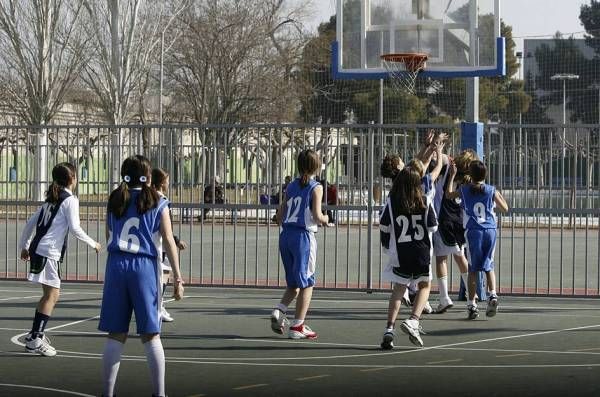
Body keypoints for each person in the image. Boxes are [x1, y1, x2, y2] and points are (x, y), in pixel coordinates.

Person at [99, 155, 184, 397]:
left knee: (116, 334)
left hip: (116, 265)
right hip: (144, 267)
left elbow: (108, 235)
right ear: (147, 176)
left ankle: (107, 393)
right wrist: (177, 276)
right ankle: (160, 393)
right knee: (150, 334)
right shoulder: (157, 201)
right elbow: (168, 240)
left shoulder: (115, 200)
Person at [18, 162, 101, 356]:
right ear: (72, 178)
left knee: (49, 295)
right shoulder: (69, 200)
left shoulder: (51, 199)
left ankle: (34, 337)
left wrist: (25, 245)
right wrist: (93, 243)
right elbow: (75, 228)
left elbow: (31, 222)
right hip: (48, 252)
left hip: (40, 249)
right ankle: (36, 339)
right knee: (52, 296)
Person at [270, 149, 329, 339]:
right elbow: (317, 216)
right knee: (307, 283)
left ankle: (279, 311)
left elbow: (280, 213)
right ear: (316, 166)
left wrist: (277, 218)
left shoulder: (291, 186)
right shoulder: (316, 187)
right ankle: (297, 326)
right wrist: (327, 219)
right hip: (303, 238)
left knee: (294, 282)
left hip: (285, 235)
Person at [379, 166, 438, 349]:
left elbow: (384, 226)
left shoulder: (392, 202)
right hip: (421, 251)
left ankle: (389, 328)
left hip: (401, 253)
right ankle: (413, 320)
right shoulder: (425, 200)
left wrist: (388, 246)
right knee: (424, 285)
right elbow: (433, 226)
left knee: (399, 289)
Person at [447, 160, 508, 319]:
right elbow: (505, 208)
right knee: (489, 265)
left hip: (474, 231)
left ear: (470, 175)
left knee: (473, 269)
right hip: (490, 229)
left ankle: (472, 305)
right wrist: (492, 203)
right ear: (485, 174)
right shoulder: (490, 190)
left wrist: (452, 176)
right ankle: (493, 295)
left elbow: (448, 194)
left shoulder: (464, 190)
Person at [431, 149, 477, 313]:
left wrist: (438, 148)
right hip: (459, 223)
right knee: (460, 257)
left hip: (444, 221)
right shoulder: (469, 181)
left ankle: (444, 298)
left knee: (441, 260)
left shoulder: (448, 171)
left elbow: (439, 160)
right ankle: (472, 298)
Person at [152, 168, 188, 322]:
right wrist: (173, 240)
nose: (168, 183)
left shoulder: (162, 199)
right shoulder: (157, 201)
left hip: (163, 243)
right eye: (167, 180)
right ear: (161, 182)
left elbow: (166, 229)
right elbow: (162, 228)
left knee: (165, 275)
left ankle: (160, 305)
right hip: (158, 246)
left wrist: (176, 240)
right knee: (161, 276)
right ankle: (157, 308)